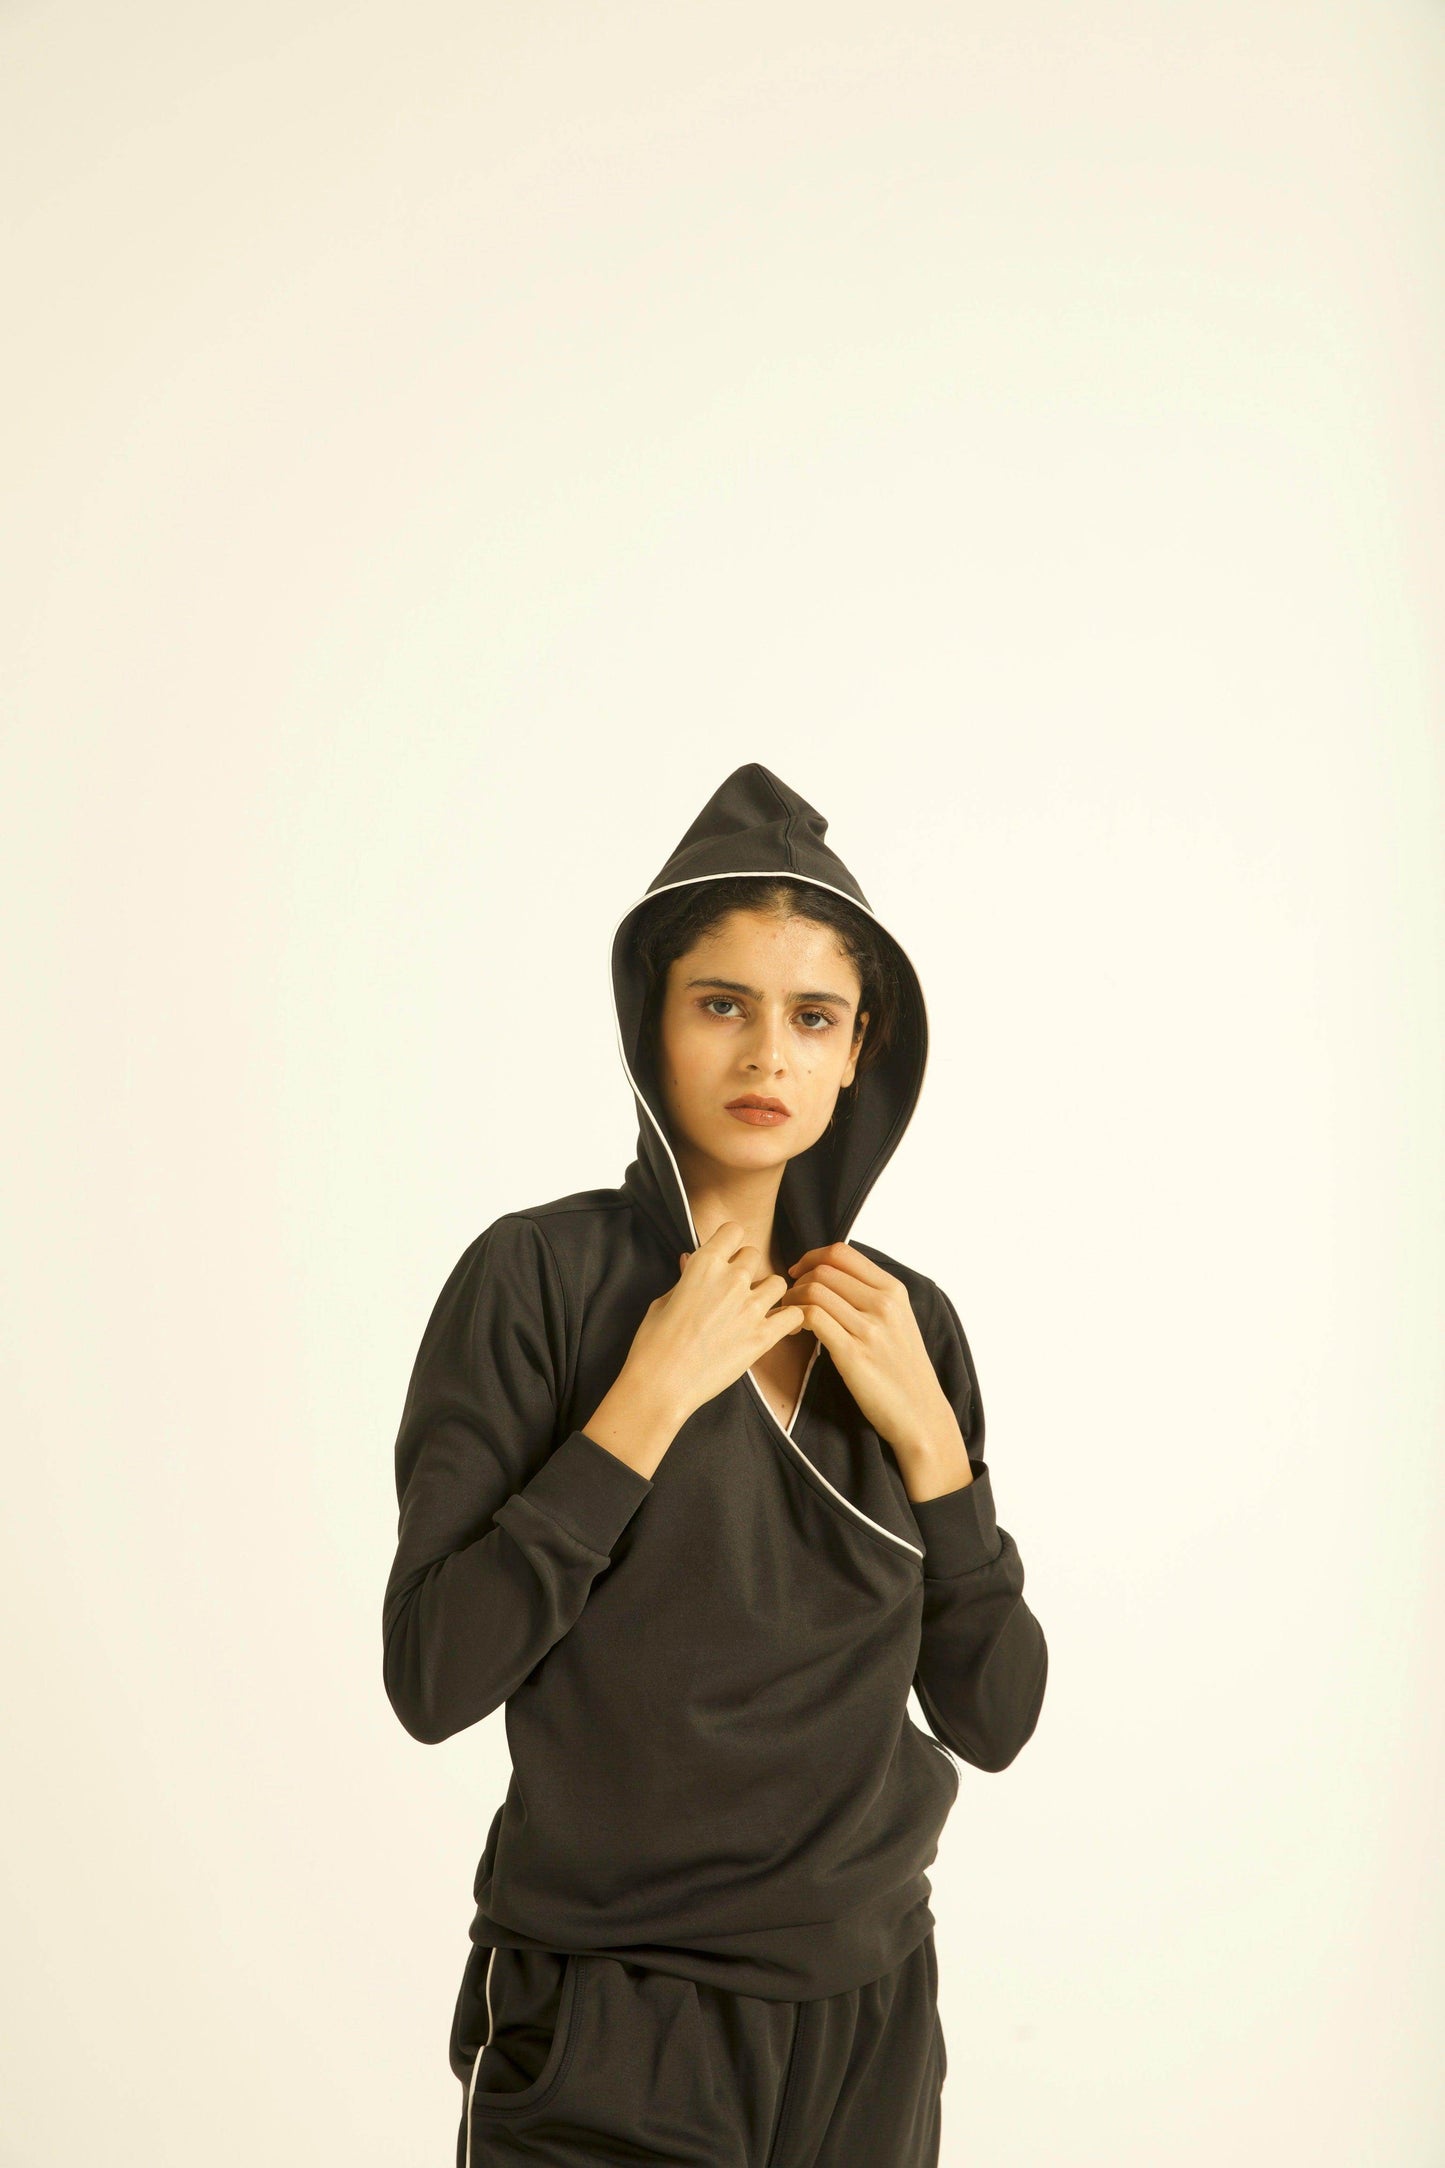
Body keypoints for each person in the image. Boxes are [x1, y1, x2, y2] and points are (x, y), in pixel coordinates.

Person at [382, 763, 1048, 2167]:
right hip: (608, 2015)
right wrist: (642, 1405)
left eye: (812, 1018)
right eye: (722, 1005)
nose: (767, 1058)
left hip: (868, 2015)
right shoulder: (536, 1280)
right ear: (652, 1023)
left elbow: (992, 1714)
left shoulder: (903, 1324)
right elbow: (434, 1676)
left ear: (860, 1051)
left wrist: (934, 1449)